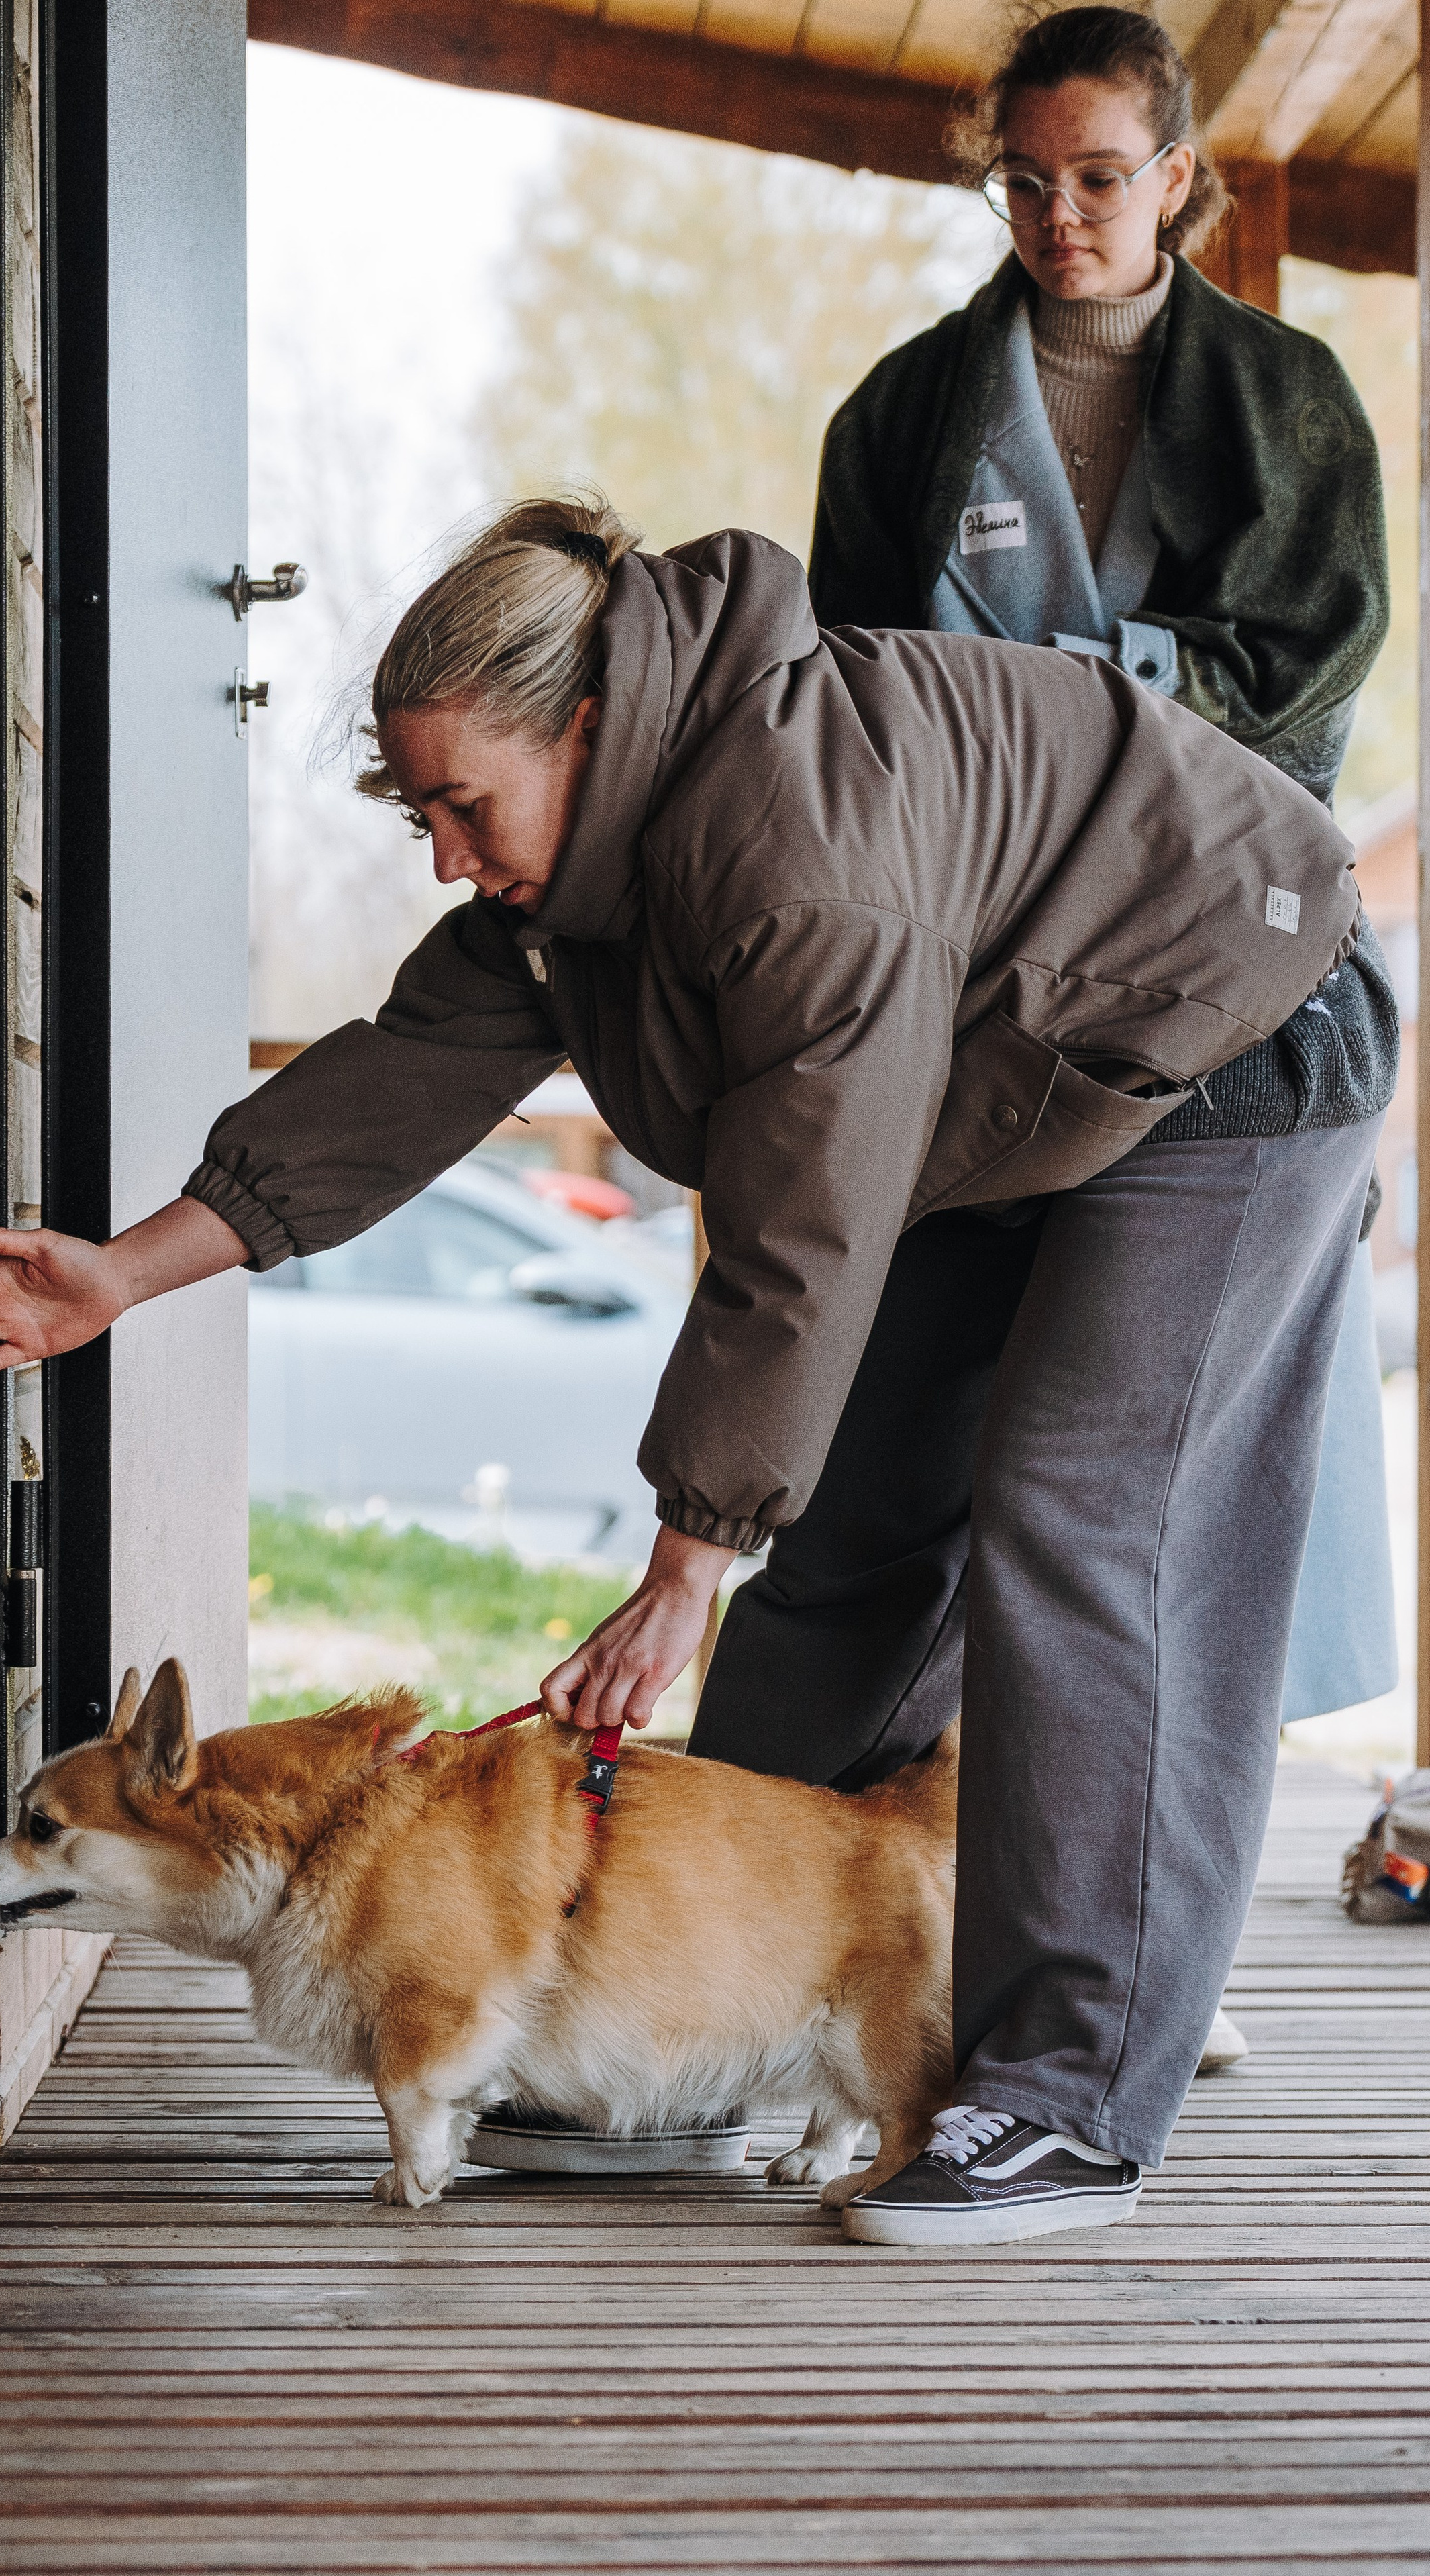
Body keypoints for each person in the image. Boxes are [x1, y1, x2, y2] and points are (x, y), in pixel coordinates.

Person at [0, 493, 1383, 2246]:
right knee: (845, 1548)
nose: (451, 856)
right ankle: (693, 2042)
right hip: (1007, 1081)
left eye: (467, 803)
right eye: (419, 813)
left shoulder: (795, 847)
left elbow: (798, 1233)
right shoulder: (586, 878)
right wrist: (123, 1275)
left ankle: (1067, 2098)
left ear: (591, 726)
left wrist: (688, 1555)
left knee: (1083, 1533)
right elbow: (400, 1074)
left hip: (1232, 1028)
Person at [757, 6, 1400, 1922]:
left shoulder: (1291, 404)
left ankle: (1105, 1955)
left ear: (1178, 178)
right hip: (971, 1000)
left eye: (1099, 179)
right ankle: (763, 1915)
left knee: (1137, 1505)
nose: (1059, 218)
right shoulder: (897, 414)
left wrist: (1057, 698)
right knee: (885, 1471)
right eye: (1022, 183)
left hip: (1220, 1004)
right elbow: (853, 725)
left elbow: (1303, 698)